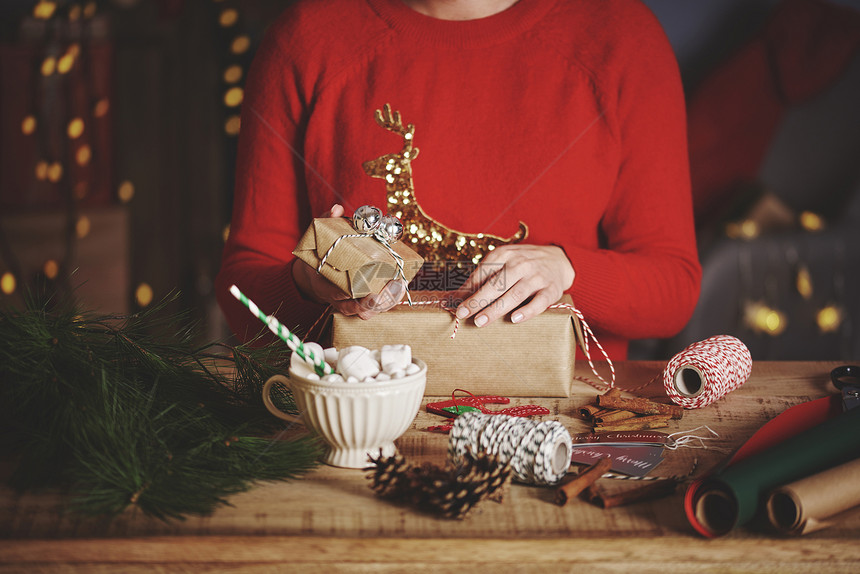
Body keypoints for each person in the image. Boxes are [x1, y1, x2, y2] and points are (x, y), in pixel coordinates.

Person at [215, 0, 702, 360]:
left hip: (567, 426)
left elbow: (673, 290)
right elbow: (242, 283)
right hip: (359, 420)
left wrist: (569, 271)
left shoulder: (621, 37)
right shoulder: (306, 38)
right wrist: (307, 284)